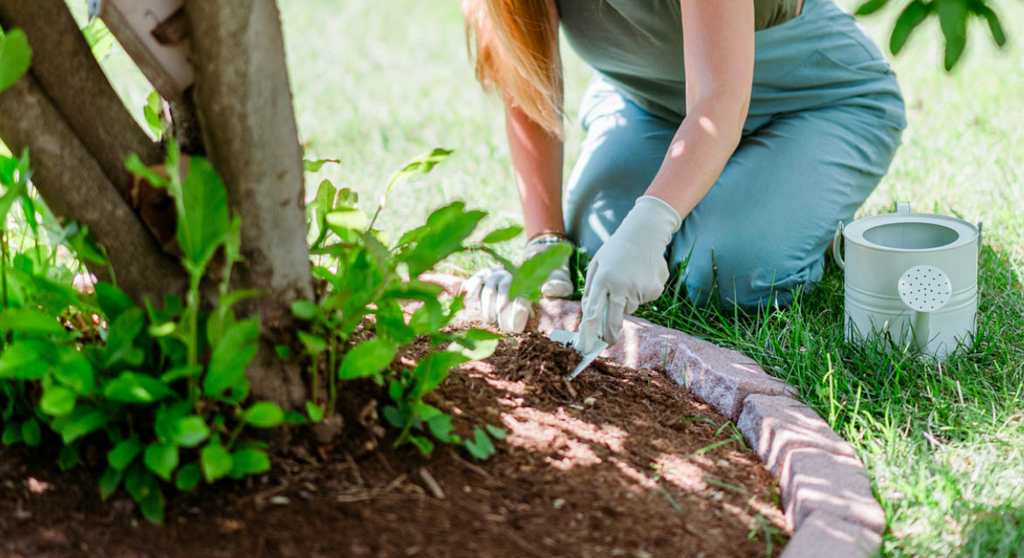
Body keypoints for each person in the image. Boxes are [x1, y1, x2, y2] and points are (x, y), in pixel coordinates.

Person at [460, 0, 906, 354]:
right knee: (597, 246)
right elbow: (527, 82)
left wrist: (652, 223)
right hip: (652, 105)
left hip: (812, 100)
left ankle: (808, 216)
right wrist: (545, 241)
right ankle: (741, 190)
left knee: (726, 273)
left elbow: (719, 100)